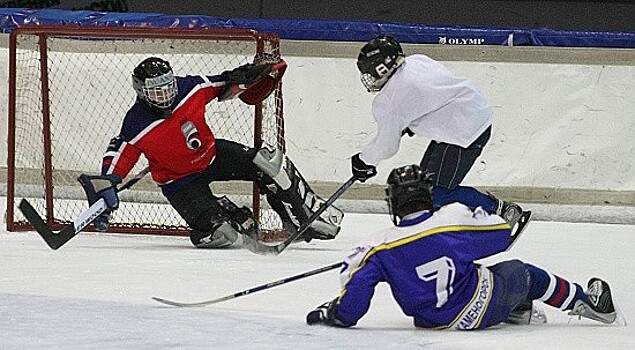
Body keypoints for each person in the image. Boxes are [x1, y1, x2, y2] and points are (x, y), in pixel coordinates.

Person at [306, 164, 619, 329]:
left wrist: (335, 312)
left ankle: (518, 310)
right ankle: (590, 304)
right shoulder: (451, 218)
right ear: (427, 194)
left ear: (394, 202)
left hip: (431, 321)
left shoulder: (376, 246)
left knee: (483, 273)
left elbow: (355, 304)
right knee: (524, 274)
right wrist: (482, 213)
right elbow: (501, 235)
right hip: (482, 305)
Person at [78, 56, 343, 248]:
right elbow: (119, 152)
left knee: (269, 162)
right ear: (142, 93)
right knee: (221, 234)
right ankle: (229, 213)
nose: (166, 95)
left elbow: (222, 85)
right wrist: (107, 183)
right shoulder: (136, 123)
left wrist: (245, 77)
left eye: (168, 86)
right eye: (157, 92)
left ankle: (303, 215)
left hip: (212, 155)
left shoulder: (189, 88)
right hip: (179, 182)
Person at [350, 35, 525, 226]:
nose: (371, 78)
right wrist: (413, 119)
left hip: (462, 133)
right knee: (423, 188)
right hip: (470, 114)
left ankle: (502, 211)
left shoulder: (390, 100)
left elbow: (387, 145)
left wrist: (364, 161)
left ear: (381, 67)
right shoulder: (417, 61)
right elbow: (435, 93)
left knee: (435, 194)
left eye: (371, 72)